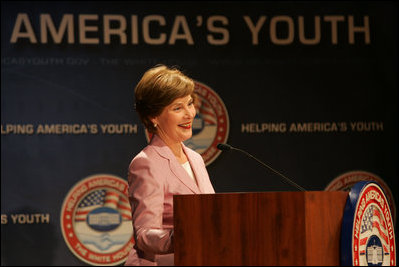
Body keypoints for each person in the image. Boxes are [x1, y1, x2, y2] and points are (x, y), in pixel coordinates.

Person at [125, 65, 215, 266]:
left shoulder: (196, 159)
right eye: (177, 108)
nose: (190, 114)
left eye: (190, 104)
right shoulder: (146, 163)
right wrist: (182, 237)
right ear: (153, 117)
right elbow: (144, 234)